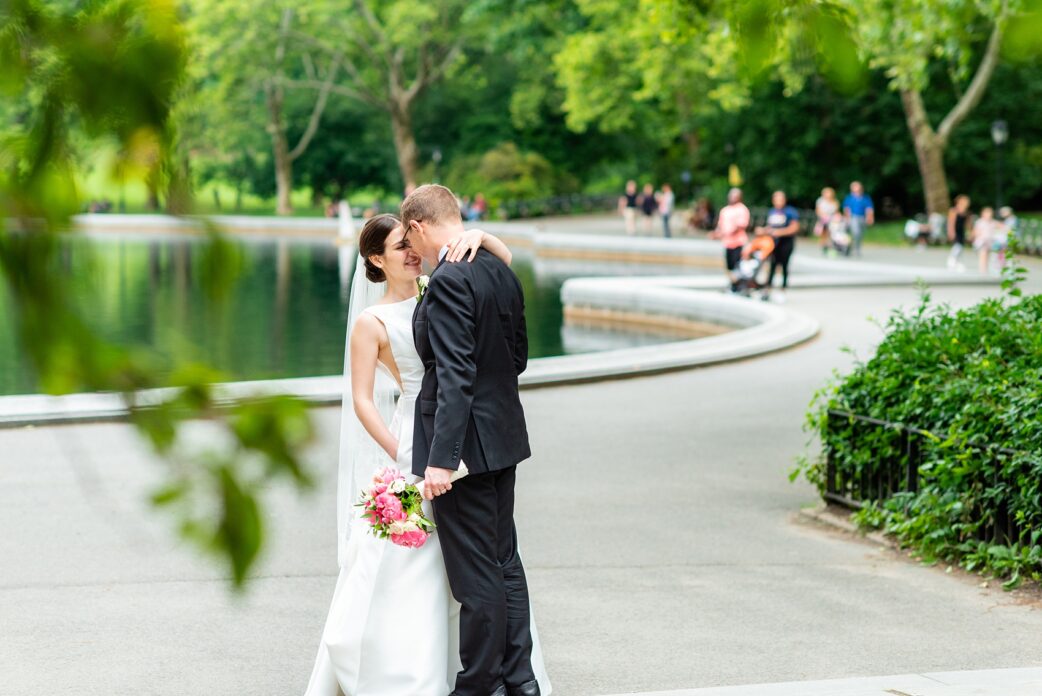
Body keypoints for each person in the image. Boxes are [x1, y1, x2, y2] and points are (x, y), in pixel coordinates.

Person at [303, 212, 551, 696]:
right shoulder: (370, 322)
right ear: (377, 259)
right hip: (417, 442)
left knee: (480, 564)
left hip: (449, 440)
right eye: (400, 248)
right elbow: (361, 400)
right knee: (454, 564)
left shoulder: (439, 287)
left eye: (411, 243)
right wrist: (402, 456)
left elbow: (465, 362)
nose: (413, 253)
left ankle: (489, 676)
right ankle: (423, 672)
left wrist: (481, 235)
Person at [402, 184, 548, 696]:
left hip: (464, 448)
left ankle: (479, 684)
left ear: (419, 226)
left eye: (409, 238)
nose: (410, 251)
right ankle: (519, 678)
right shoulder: (498, 269)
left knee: (474, 574)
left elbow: (454, 376)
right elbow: (518, 358)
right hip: (503, 435)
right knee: (504, 559)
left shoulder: (447, 279)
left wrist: (442, 461)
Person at [757, 190, 799, 302]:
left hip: (786, 243)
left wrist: (780, 232)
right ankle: (767, 290)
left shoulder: (790, 212)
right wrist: (763, 231)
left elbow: (794, 228)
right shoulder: (772, 212)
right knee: (772, 266)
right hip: (774, 244)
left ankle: (782, 290)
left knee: (784, 266)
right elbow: (770, 227)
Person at [708, 187, 751, 292]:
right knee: (729, 266)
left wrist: (725, 233)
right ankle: (733, 285)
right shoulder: (725, 210)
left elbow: (740, 226)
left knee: (738, 265)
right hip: (727, 243)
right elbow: (720, 226)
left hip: (738, 242)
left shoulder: (742, 209)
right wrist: (716, 234)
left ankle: (739, 286)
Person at [842, 181, 874, 257]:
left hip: (862, 217)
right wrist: (847, 218)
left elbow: (869, 209)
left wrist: (870, 217)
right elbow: (846, 209)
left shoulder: (865, 198)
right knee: (856, 232)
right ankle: (853, 247)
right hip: (853, 217)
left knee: (861, 234)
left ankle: (857, 248)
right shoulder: (849, 198)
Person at [972, 206, 1002, 274]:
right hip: (982, 242)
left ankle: (986, 269)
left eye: (990, 214)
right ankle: (983, 270)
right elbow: (975, 232)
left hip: (990, 242)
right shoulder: (980, 222)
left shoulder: (993, 222)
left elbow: (1002, 226)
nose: (989, 215)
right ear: (983, 214)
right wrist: (977, 236)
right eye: (987, 213)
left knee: (989, 255)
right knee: (983, 254)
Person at [947, 194, 971, 271]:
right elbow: (951, 222)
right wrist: (951, 232)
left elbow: (968, 224)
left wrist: (970, 232)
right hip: (955, 231)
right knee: (957, 246)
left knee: (961, 246)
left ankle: (957, 262)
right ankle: (952, 259)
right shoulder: (954, 211)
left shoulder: (966, 212)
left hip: (961, 231)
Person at [815, 187, 839, 254]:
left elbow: (836, 211)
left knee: (831, 233)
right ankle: (823, 246)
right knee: (823, 233)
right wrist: (823, 216)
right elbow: (818, 210)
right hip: (823, 219)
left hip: (832, 219)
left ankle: (829, 245)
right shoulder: (820, 201)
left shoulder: (835, 201)